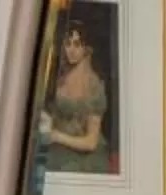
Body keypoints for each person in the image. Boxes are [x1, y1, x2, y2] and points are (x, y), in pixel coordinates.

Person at [43, 15, 115, 173]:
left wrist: (56, 136)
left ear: (85, 48)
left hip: (82, 158)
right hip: (55, 148)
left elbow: (91, 142)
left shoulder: (94, 85)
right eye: (68, 44)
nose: (72, 50)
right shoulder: (60, 76)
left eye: (77, 44)